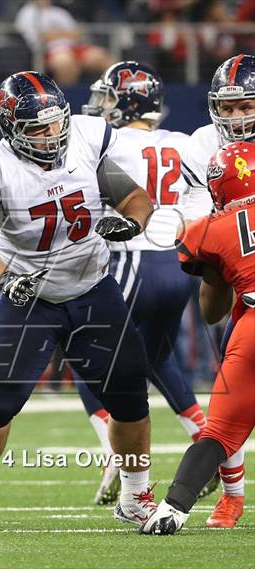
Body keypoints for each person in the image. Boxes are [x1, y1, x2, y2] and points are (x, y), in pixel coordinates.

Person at [0, 70, 155, 533]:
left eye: (55, 122)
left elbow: (138, 199)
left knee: (129, 397)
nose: (50, 134)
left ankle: (136, 494)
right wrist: (7, 280)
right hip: (29, 295)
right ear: (10, 128)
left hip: (93, 288)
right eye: (36, 128)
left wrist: (131, 224)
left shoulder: (84, 141)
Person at [80, 61, 210, 507]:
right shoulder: (181, 142)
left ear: (128, 100)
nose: (103, 106)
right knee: (155, 357)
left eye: (110, 97)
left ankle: (115, 454)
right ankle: (203, 435)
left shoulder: (110, 142)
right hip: (176, 265)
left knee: (86, 354)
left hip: (130, 262)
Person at [140, 140, 255, 535]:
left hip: (253, 327)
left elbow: (210, 311)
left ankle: (172, 509)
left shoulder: (208, 230)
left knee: (219, 432)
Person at [179, 53, 255, 528]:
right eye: (226, 108)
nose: (236, 117)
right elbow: (197, 221)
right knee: (229, 393)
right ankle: (232, 494)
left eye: (245, 105)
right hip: (238, 273)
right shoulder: (202, 148)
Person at [14, 0, 112, 86]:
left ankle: (108, 95)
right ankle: (69, 99)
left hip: (74, 47)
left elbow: (77, 33)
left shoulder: (59, 11)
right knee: (66, 62)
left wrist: (53, 34)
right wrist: (63, 34)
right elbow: (36, 39)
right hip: (49, 51)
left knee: (101, 57)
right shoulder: (27, 13)